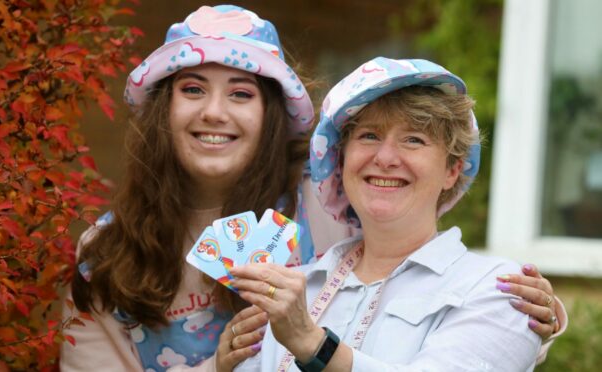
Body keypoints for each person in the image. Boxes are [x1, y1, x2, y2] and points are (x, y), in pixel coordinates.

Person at [60, 5, 565, 372]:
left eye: (241, 93)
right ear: (161, 111)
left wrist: (522, 321)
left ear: (272, 115)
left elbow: (415, 275)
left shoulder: (325, 209)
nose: (214, 111)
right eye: (192, 89)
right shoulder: (105, 254)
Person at [225, 57, 564, 371]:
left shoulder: (497, 288)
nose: (385, 158)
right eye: (369, 135)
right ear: (341, 162)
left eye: (414, 140)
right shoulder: (292, 288)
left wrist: (311, 342)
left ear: (452, 170)